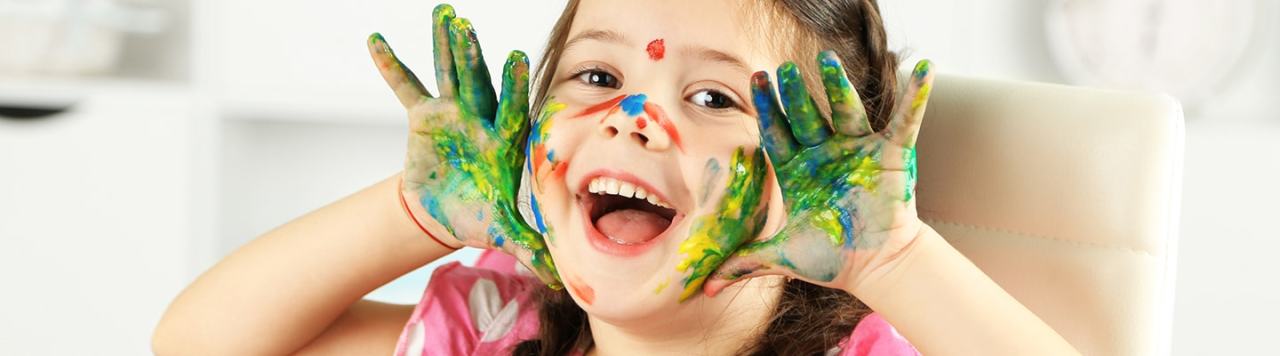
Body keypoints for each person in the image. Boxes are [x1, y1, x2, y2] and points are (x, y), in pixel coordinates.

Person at [153, 1, 1081, 355]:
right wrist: (415, 212)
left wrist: (895, 260)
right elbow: (200, 345)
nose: (636, 121)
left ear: (816, 173)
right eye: (598, 77)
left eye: (716, 96)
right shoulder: (495, 337)